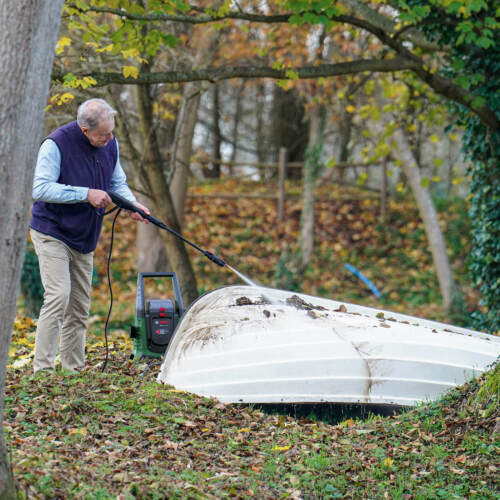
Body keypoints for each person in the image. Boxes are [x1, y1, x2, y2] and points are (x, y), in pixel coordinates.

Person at [30, 98, 149, 373]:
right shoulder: (56, 144)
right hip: (52, 231)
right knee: (59, 295)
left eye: (111, 132)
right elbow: (40, 188)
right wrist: (85, 194)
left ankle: (72, 370)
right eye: (103, 135)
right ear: (85, 130)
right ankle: (42, 372)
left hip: (84, 236)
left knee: (80, 306)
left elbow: (117, 183)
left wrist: (132, 205)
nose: (110, 139)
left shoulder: (110, 143)